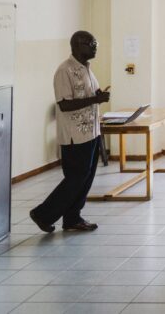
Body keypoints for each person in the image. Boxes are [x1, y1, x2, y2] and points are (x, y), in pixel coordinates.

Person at [30, 31, 110, 234]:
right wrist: (95, 100)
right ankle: (42, 214)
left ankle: (73, 218)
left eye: (95, 43)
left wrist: (98, 95)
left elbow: (88, 95)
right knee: (75, 179)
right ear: (77, 45)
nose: (95, 47)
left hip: (91, 132)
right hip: (75, 136)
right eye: (91, 44)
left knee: (86, 177)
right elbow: (64, 105)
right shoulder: (64, 71)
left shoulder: (86, 69)